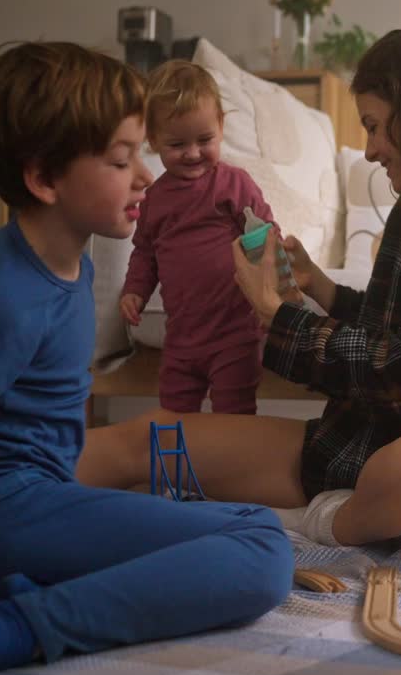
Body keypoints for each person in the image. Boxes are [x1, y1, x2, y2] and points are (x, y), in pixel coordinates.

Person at [0, 42, 294, 675]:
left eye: (141, 155)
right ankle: (3, 630)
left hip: (37, 494)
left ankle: (16, 592)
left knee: (246, 522)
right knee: (263, 548)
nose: (145, 178)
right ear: (45, 179)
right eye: (121, 159)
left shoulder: (68, 262)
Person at [79, 24, 401, 556]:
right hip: (353, 449)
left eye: (376, 127)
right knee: (147, 439)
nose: (371, 149)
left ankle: (326, 527)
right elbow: (397, 331)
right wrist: (321, 287)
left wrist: (275, 315)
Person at [120, 60, 288, 415]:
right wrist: (135, 290)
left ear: (221, 128)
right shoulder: (154, 199)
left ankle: (230, 469)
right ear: (153, 141)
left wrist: (272, 291)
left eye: (205, 140)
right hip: (181, 336)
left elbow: (265, 234)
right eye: (177, 143)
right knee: (174, 412)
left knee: (233, 413)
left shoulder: (233, 184)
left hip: (235, 332)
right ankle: (181, 469)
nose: (193, 153)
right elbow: (145, 253)